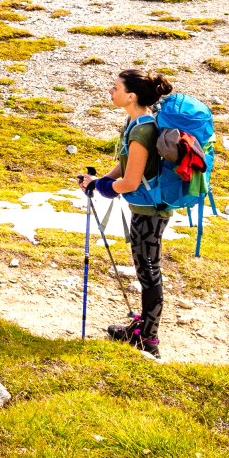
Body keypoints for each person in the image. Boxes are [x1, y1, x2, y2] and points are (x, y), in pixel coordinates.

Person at [76, 67, 175, 357]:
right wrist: (98, 181)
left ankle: (148, 339)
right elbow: (126, 166)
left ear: (131, 96)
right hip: (146, 206)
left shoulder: (143, 130)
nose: (111, 91)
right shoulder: (137, 123)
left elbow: (130, 181)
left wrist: (105, 188)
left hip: (151, 210)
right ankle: (142, 328)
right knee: (146, 266)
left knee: (148, 269)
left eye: (116, 88)